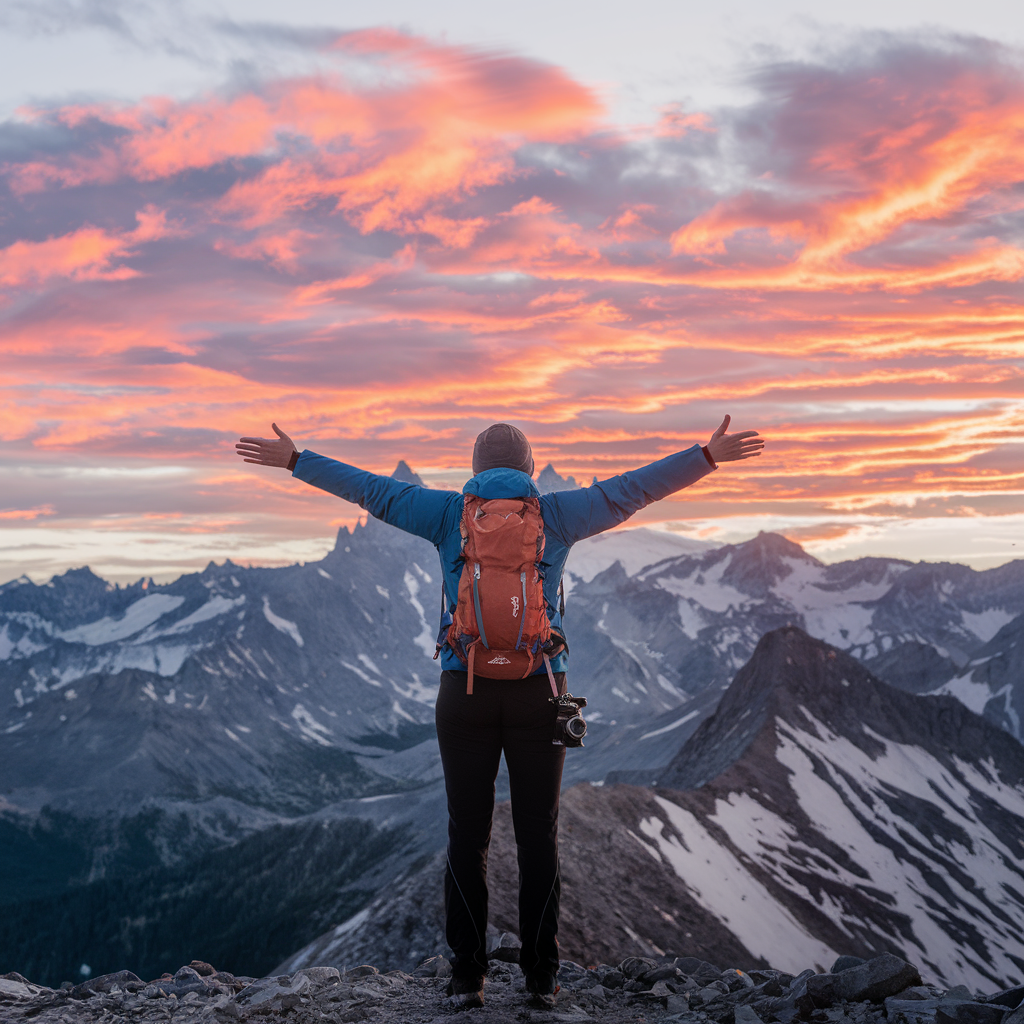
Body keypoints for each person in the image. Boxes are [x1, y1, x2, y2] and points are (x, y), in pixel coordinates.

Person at [235, 417, 763, 1009]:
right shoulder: (559, 515)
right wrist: (706, 455)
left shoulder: (446, 514)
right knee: (542, 834)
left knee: (468, 834)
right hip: (550, 691)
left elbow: (372, 491)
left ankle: (467, 977)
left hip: (462, 691)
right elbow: (633, 488)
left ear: (476, 468)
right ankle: (542, 977)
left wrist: (295, 459)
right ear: (531, 467)